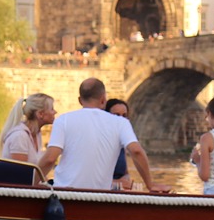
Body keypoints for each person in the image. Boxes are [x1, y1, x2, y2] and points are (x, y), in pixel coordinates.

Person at [38, 78, 171, 193]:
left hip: (64, 193)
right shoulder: (121, 122)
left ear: (80, 100)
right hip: (100, 196)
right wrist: (150, 184)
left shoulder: (63, 120)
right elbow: (136, 151)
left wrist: (32, 183)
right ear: (103, 100)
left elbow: (50, 159)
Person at [0, 93, 56, 164]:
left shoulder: (36, 134)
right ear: (40, 114)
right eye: (52, 109)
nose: (55, 112)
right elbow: (20, 172)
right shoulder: (20, 136)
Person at [104, 98, 133, 190]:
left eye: (124, 116)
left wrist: (126, 180)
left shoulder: (121, 142)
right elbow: (88, 178)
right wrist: (117, 183)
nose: (121, 120)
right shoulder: (99, 142)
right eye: (116, 115)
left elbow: (125, 173)